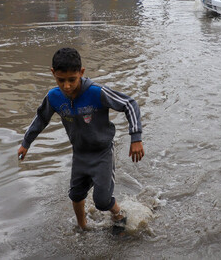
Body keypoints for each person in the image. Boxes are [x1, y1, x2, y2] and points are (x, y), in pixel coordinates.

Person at [17, 48, 144, 231]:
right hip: (80, 154)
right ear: (53, 73)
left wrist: (136, 138)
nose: (66, 86)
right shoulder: (54, 97)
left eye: (72, 80)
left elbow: (129, 104)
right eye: (61, 80)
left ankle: (119, 214)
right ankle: (82, 226)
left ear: (81, 73)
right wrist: (25, 143)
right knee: (76, 195)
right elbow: (41, 119)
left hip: (102, 153)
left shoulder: (96, 93)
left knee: (102, 201)